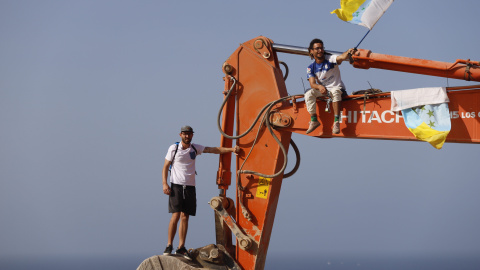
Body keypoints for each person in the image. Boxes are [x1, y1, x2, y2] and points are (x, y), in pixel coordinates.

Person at [162, 125, 239, 260]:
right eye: (185, 134)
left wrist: (231, 149)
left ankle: (181, 247)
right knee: (175, 216)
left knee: (185, 216)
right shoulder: (173, 148)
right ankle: (169, 245)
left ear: (192, 135)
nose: (187, 136)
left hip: (190, 186)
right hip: (176, 186)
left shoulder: (194, 148)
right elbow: (165, 167)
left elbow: (213, 149)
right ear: (180, 135)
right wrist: (164, 184)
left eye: (189, 134)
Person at [305, 38, 355, 134]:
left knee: (335, 91)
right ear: (311, 51)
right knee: (309, 94)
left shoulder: (330, 59)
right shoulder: (311, 67)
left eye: (321, 48)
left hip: (337, 89)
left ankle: (336, 122)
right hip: (324, 91)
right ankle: (314, 120)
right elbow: (312, 84)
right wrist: (319, 87)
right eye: (317, 48)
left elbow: (341, 57)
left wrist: (348, 52)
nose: (320, 51)